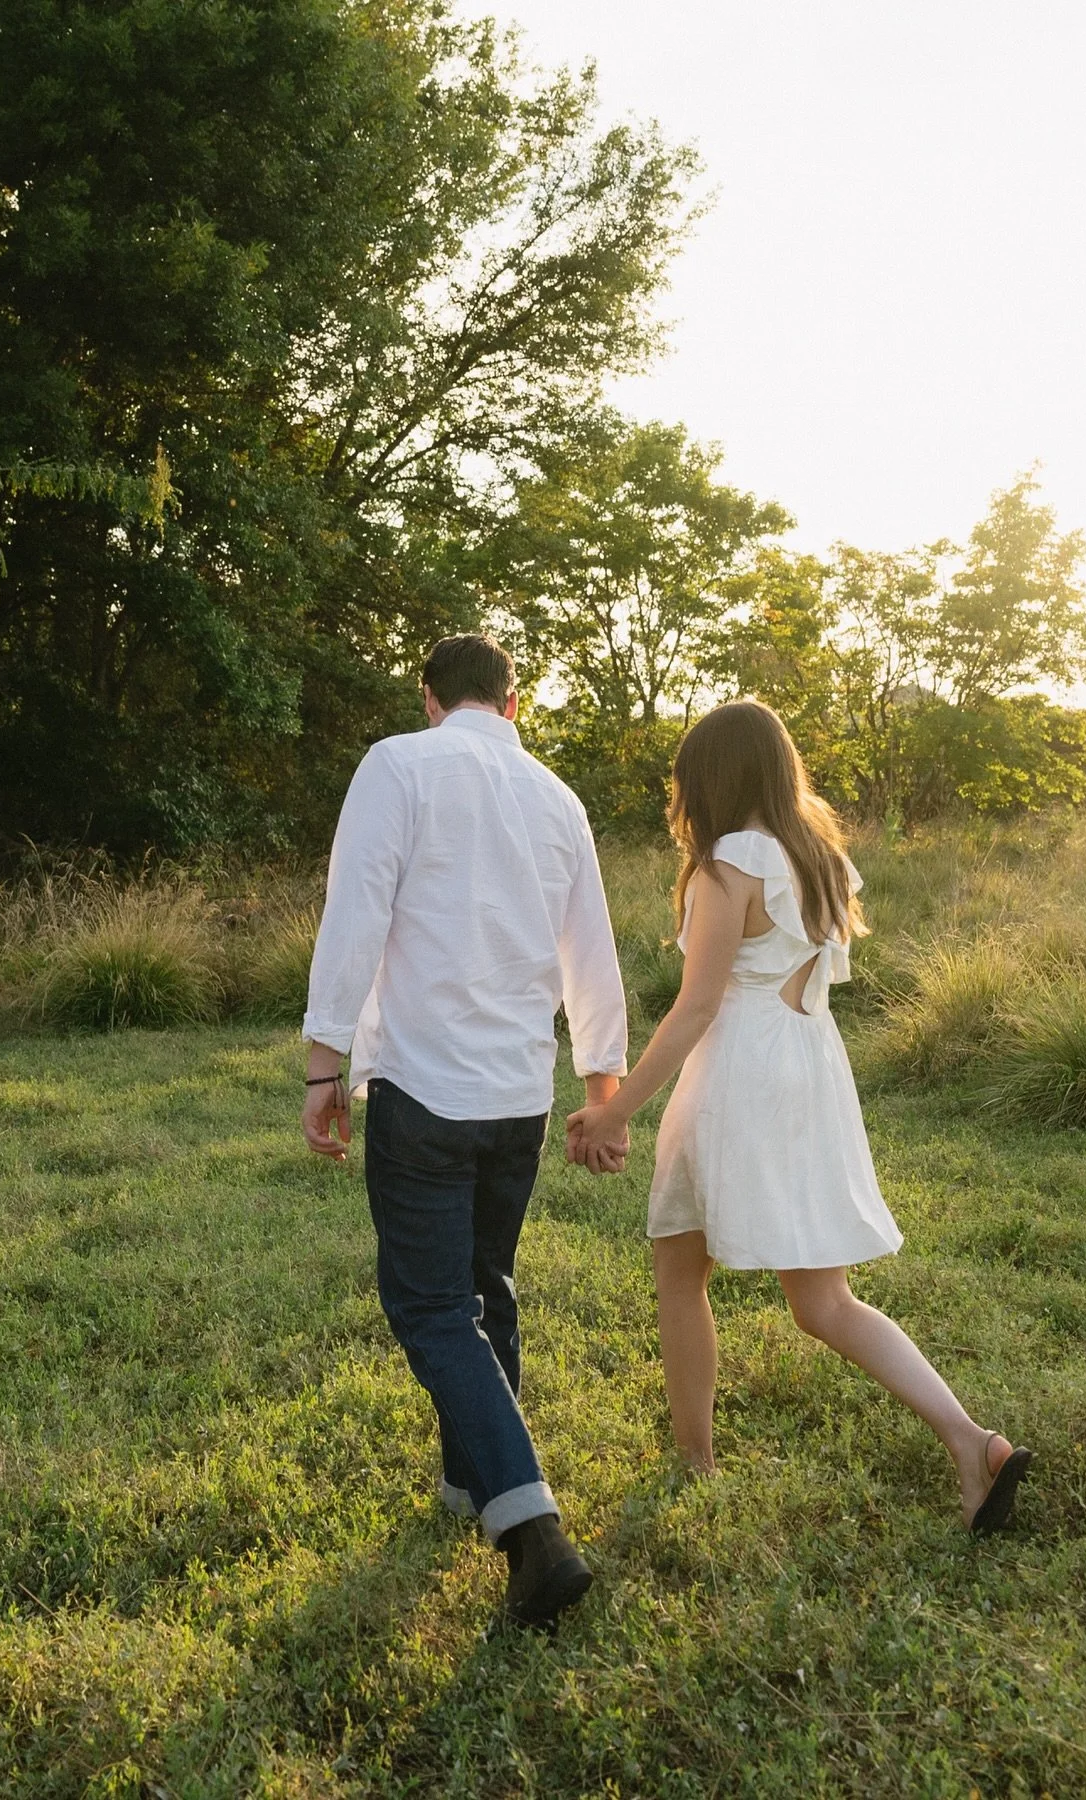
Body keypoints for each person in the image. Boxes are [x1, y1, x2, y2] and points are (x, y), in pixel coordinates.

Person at [567, 700, 1033, 1532]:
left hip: (741, 1068)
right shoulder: (816, 855)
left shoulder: (727, 865)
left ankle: (696, 1465)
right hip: (810, 1065)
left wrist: (614, 1112)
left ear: (711, 779)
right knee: (823, 1301)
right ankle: (971, 1441)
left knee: (680, 1272)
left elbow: (698, 1006)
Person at [301, 634, 629, 1628]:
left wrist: (326, 1061)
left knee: (433, 1305)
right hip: (518, 1095)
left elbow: (354, 911)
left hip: (426, 1085)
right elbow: (593, 953)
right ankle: (466, 1484)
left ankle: (531, 1531)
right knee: (487, 1288)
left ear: (430, 698)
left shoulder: (399, 763)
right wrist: (602, 1088)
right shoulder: (559, 799)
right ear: (514, 703)